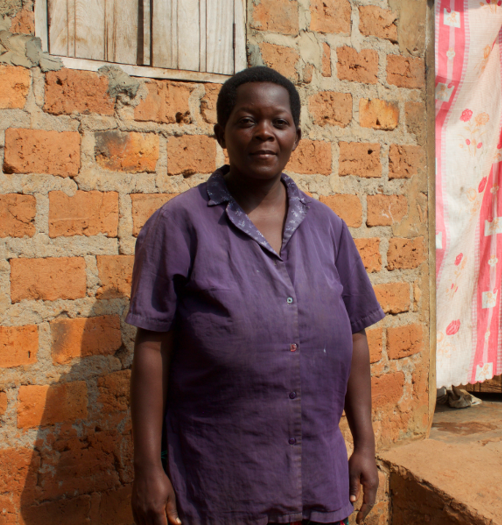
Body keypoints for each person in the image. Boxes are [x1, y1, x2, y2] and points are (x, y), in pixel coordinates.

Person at [127, 66, 385, 525]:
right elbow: (152, 346)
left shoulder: (328, 228)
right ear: (221, 134)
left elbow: (355, 335)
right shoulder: (179, 225)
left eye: (278, 122)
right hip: (222, 486)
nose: (264, 133)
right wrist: (148, 465)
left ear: (295, 135)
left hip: (319, 483)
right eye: (247, 120)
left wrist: (364, 444)